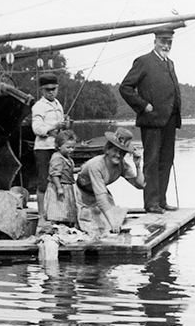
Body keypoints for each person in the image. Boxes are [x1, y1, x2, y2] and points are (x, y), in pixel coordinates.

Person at [119, 28, 181, 214]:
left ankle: (161, 201)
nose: (166, 45)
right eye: (163, 41)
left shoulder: (170, 63)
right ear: (154, 41)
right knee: (152, 161)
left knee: (166, 160)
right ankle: (151, 203)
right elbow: (125, 87)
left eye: (169, 41)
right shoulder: (144, 61)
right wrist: (143, 105)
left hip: (170, 120)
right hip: (152, 121)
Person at [75, 127, 145, 236]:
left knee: (114, 223)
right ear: (107, 150)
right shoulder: (96, 165)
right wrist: (113, 223)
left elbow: (140, 185)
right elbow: (101, 198)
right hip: (81, 194)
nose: (118, 155)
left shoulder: (122, 164)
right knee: (92, 228)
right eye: (115, 150)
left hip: (99, 193)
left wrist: (138, 165)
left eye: (122, 153)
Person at [31, 74, 68, 219]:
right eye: (48, 90)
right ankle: (41, 215)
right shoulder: (39, 106)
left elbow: (60, 128)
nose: (51, 92)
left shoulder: (58, 105)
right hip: (43, 149)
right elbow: (37, 129)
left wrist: (64, 127)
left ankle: (56, 213)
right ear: (42, 90)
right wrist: (54, 126)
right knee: (43, 183)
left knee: (59, 180)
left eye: (54, 89)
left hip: (57, 149)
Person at [42, 129, 78, 227]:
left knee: (66, 208)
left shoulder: (67, 157)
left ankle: (66, 224)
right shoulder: (57, 158)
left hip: (67, 186)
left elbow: (67, 170)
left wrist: (80, 169)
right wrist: (59, 188)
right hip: (60, 186)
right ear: (58, 146)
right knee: (59, 208)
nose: (71, 150)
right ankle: (58, 225)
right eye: (68, 147)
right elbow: (55, 174)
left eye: (73, 147)